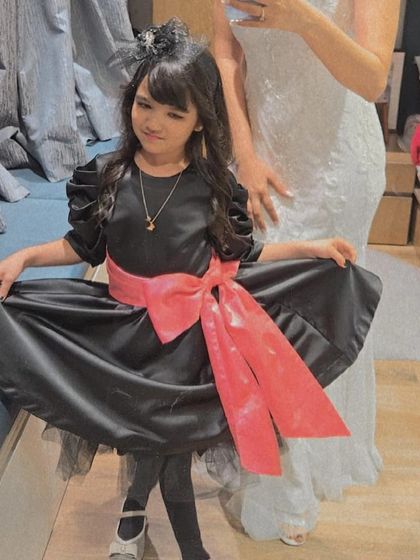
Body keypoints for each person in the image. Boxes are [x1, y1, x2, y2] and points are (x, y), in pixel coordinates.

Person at [0, 18, 381, 560]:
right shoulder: (106, 176)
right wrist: (23, 257)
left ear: (200, 120)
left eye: (174, 114)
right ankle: (135, 515)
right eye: (145, 105)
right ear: (130, 101)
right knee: (149, 439)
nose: (154, 122)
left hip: (190, 347)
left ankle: (180, 544)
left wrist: (310, 248)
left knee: (171, 454)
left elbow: (242, 256)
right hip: (125, 342)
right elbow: (81, 247)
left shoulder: (212, 187)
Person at [213, 0, 400, 545]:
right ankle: (279, 474)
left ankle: (296, 482)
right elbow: (226, 54)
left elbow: (372, 78)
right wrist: (244, 153)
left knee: (314, 323)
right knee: (260, 319)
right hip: (265, 161)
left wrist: (301, 17)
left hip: (337, 165)